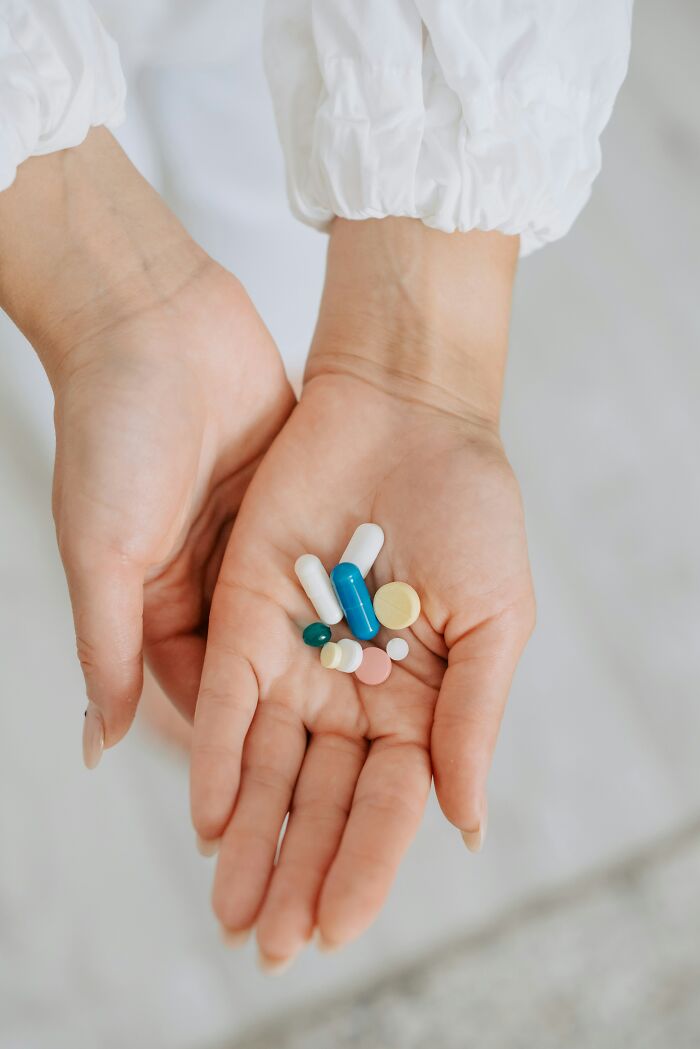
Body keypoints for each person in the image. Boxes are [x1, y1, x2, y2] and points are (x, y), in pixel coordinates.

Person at [0, 0, 633, 970]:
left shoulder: (358, 612)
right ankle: (185, 527)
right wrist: (99, 300)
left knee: (277, 230)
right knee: (113, 373)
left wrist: (419, 355)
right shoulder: (348, 614)